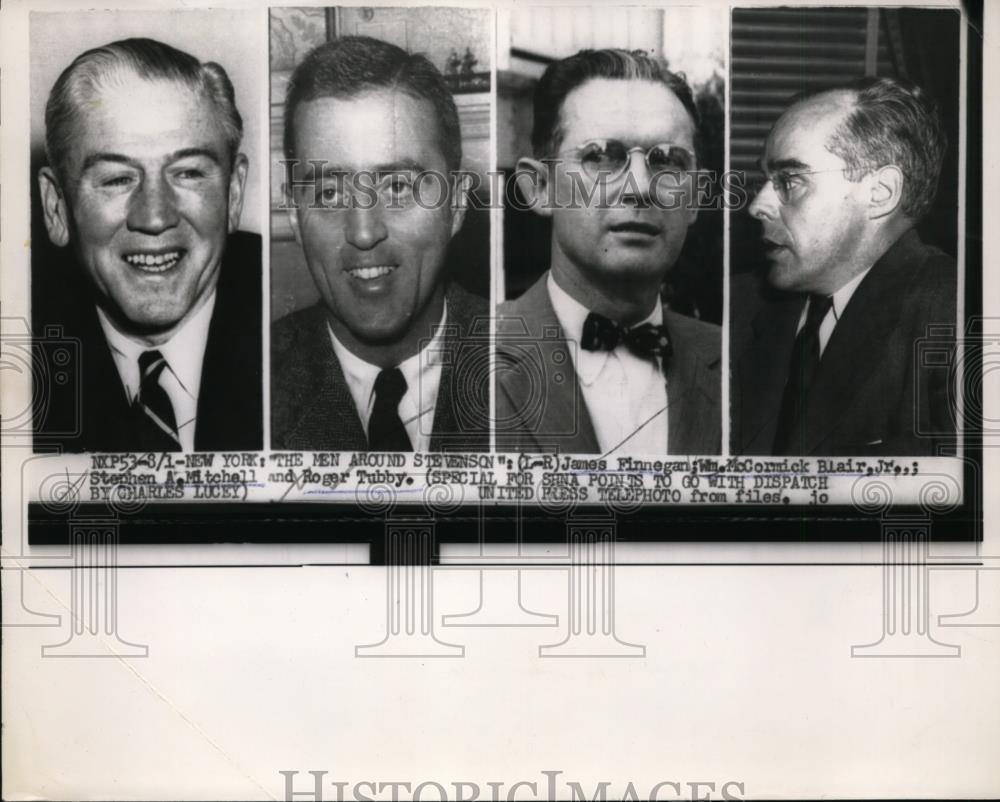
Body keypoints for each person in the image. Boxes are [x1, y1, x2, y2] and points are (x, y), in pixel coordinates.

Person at [34, 37, 262, 453]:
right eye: (117, 179)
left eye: (188, 173)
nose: (155, 217)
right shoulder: (24, 358)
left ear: (234, 193)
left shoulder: (280, 331)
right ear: (56, 207)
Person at [496, 49, 721, 455]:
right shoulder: (463, 355)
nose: (640, 187)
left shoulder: (739, 363)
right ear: (541, 187)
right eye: (601, 156)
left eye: (667, 161)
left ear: (695, 198)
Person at [271, 36, 488, 452]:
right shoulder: (255, 383)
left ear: (456, 204)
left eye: (398, 187)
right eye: (330, 193)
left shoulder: (523, 359)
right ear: (295, 215)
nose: (364, 232)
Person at [732, 76, 956, 456]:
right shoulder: (736, 305)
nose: (757, 206)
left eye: (790, 180)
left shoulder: (957, 317)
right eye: (765, 179)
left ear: (880, 193)